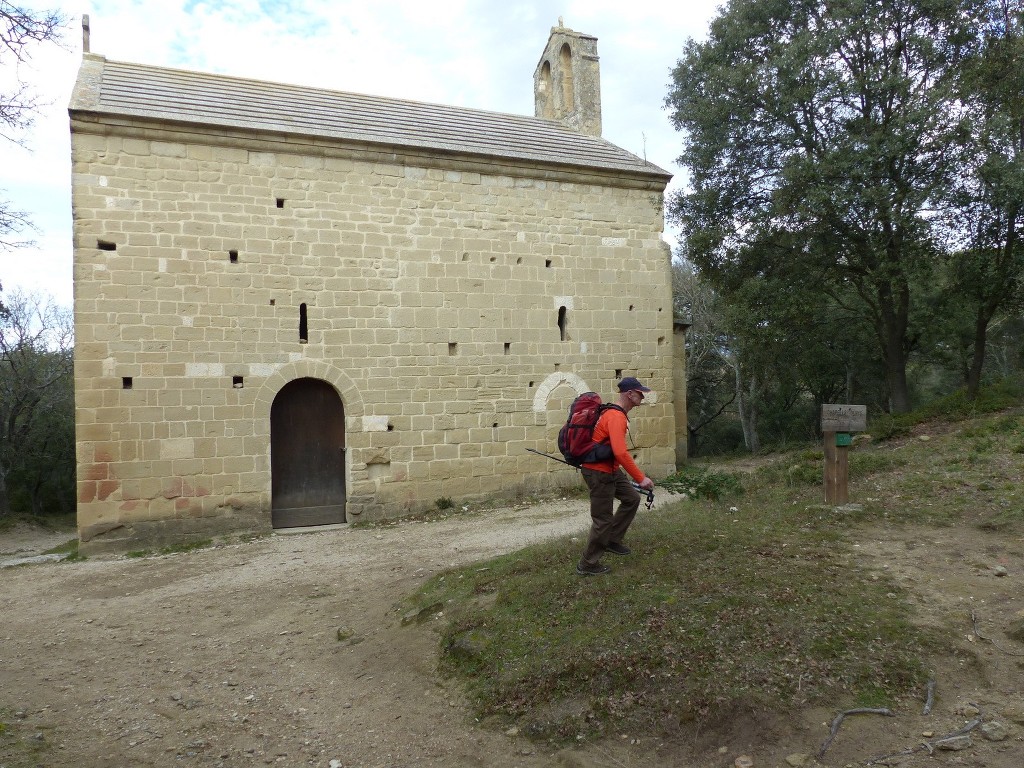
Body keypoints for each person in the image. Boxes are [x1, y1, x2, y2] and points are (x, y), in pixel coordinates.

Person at [576, 376, 656, 576]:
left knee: (631, 499)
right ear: (629, 394)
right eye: (640, 394)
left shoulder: (617, 414)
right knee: (603, 519)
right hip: (599, 472)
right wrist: (640, 478)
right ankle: (587, 563)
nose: (643, 397)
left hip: (611, 468)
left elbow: (616, 453)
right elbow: (620, 452)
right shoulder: (616, 416)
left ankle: (612, 540)